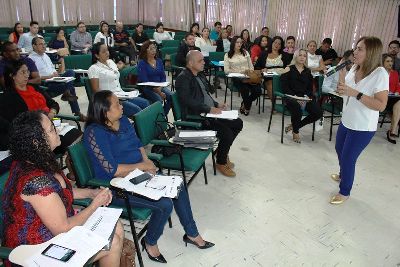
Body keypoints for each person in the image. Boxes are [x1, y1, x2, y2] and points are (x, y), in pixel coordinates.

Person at [83, 90, 214, 263]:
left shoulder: (123, 121)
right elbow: (112, 170)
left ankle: (192, 233)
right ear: (104, 111)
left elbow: (138, 146)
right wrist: (143, 166)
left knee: (178, 185)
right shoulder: (95, 133)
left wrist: (148, 164)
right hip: (116, 186)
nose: (121, 106)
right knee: (164, 204)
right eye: (117, 104)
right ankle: (150, 242)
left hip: (140, 175)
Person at [2, 110, 124, 267]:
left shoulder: (38, 160)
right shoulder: (36, 182)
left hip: (51, 230)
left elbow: (61, 192)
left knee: (117, 227)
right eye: (52, 129)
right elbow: (63, 228)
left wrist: (91, 193)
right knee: (112, 242)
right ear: (36, 142)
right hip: (34, 250)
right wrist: (95, 205)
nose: (57, 130)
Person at [330, 36, 388, 204]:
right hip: (347, 120)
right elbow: (344, 91)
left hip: (362, 127)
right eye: (356, 48)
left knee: (348, 158)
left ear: (371, 52)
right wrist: (341, 76)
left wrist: (355, 93)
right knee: (339, 150)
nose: (355, 51)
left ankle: (345, 191)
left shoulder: (380, 73)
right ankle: (343, 175)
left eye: (360, 49)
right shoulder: (354, 68)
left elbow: (381, 105)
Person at [176, 50, 243, 177]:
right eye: (200, 61)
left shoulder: (199, 75)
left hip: (209, 113)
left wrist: (216, 105)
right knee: (227, 133)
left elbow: (205, 95)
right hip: (197, 117)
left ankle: (222, 152)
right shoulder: (183, 78)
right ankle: (221, 162)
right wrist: (209, 109)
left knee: (238, 123)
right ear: (190, 63)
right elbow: (188, 101)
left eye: (203, 60)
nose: (203, 63)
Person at [0, 60, 81, 155]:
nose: (27, 75)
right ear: (12, 76)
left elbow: (53, 104)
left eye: (27, 71)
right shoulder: (8, 97)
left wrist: (52, 113)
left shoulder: (34, 87)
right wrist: (43, 122)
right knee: (74, 146)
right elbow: (18, 123)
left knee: (79, 138)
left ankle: (73, 163)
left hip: (52, 125)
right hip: (37, 134)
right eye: (23, 72)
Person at [88, 42, 149, 116]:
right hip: (110, 100)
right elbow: (96, 90)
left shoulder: (111, 62)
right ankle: (136, 126)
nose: (107, 53)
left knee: (146, 103)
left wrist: (122, 66)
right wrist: (112, 99)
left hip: (122, 94)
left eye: (107, 50)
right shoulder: (93, 68)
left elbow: (115, 72)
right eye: (104, 52)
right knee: (137, 110)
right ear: (97, 55)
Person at [29, 37, 83, 118]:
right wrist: (50, 76)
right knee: (71, 87)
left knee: (71, 72)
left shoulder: (46, 56)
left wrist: (58, 70)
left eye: (44, 44)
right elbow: (36, 79)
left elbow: (55, 71)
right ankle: (77, 112)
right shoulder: (31, 59)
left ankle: (67, 92)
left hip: (55, 79)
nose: (44, 46)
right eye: (41, 44)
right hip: (46, 83)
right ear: (34, 46)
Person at [280, 49, 323, 143]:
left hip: (304, 98)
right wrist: (294, 96)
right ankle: (296, 131)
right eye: (300, 55)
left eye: (304, 56)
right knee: (296, 107)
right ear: (295, 56)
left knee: (318, 112)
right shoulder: (288, 68)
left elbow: (309, 89)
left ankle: (296, 125)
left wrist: (307, 97)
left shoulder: (308, 72)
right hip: (290, 97)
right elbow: (284, 87)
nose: (302, 57)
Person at [224, 36, 261, 116]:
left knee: (258, 91)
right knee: (245, 89)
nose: (239, 44)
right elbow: (226, 70)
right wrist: (240, 72)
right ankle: (247, 107)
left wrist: (250, 71)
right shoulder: (228, 55)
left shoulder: (245, 52)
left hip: (248, 76)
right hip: (237, 77)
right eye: (237, 42)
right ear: (233, 43)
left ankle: (245, 102)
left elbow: (251, 66)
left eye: (241, 42)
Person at [137, 41, 173, 115]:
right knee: (159, 100)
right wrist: (159, 92)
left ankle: (162, 115)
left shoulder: (159, 61)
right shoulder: (142, 63)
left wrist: (160, 88)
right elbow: (144, 80)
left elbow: (163, 76)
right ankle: (156, 117)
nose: (154, 51)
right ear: (145, 50)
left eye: (154, 48)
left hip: (160, 86)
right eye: (151, 49)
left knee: (172, 97)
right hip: (148, 88)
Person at [382, 53, 400, 144]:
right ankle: (392, 131)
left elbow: (397, 86)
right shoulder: (379, 73)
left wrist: (397, 92)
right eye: (388, 61)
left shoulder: (395, 73)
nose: (390, 63)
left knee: (399, 103)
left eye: (391, 61)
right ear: (383, 62)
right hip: (382, 98)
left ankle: (392, 131)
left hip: (392, 98)